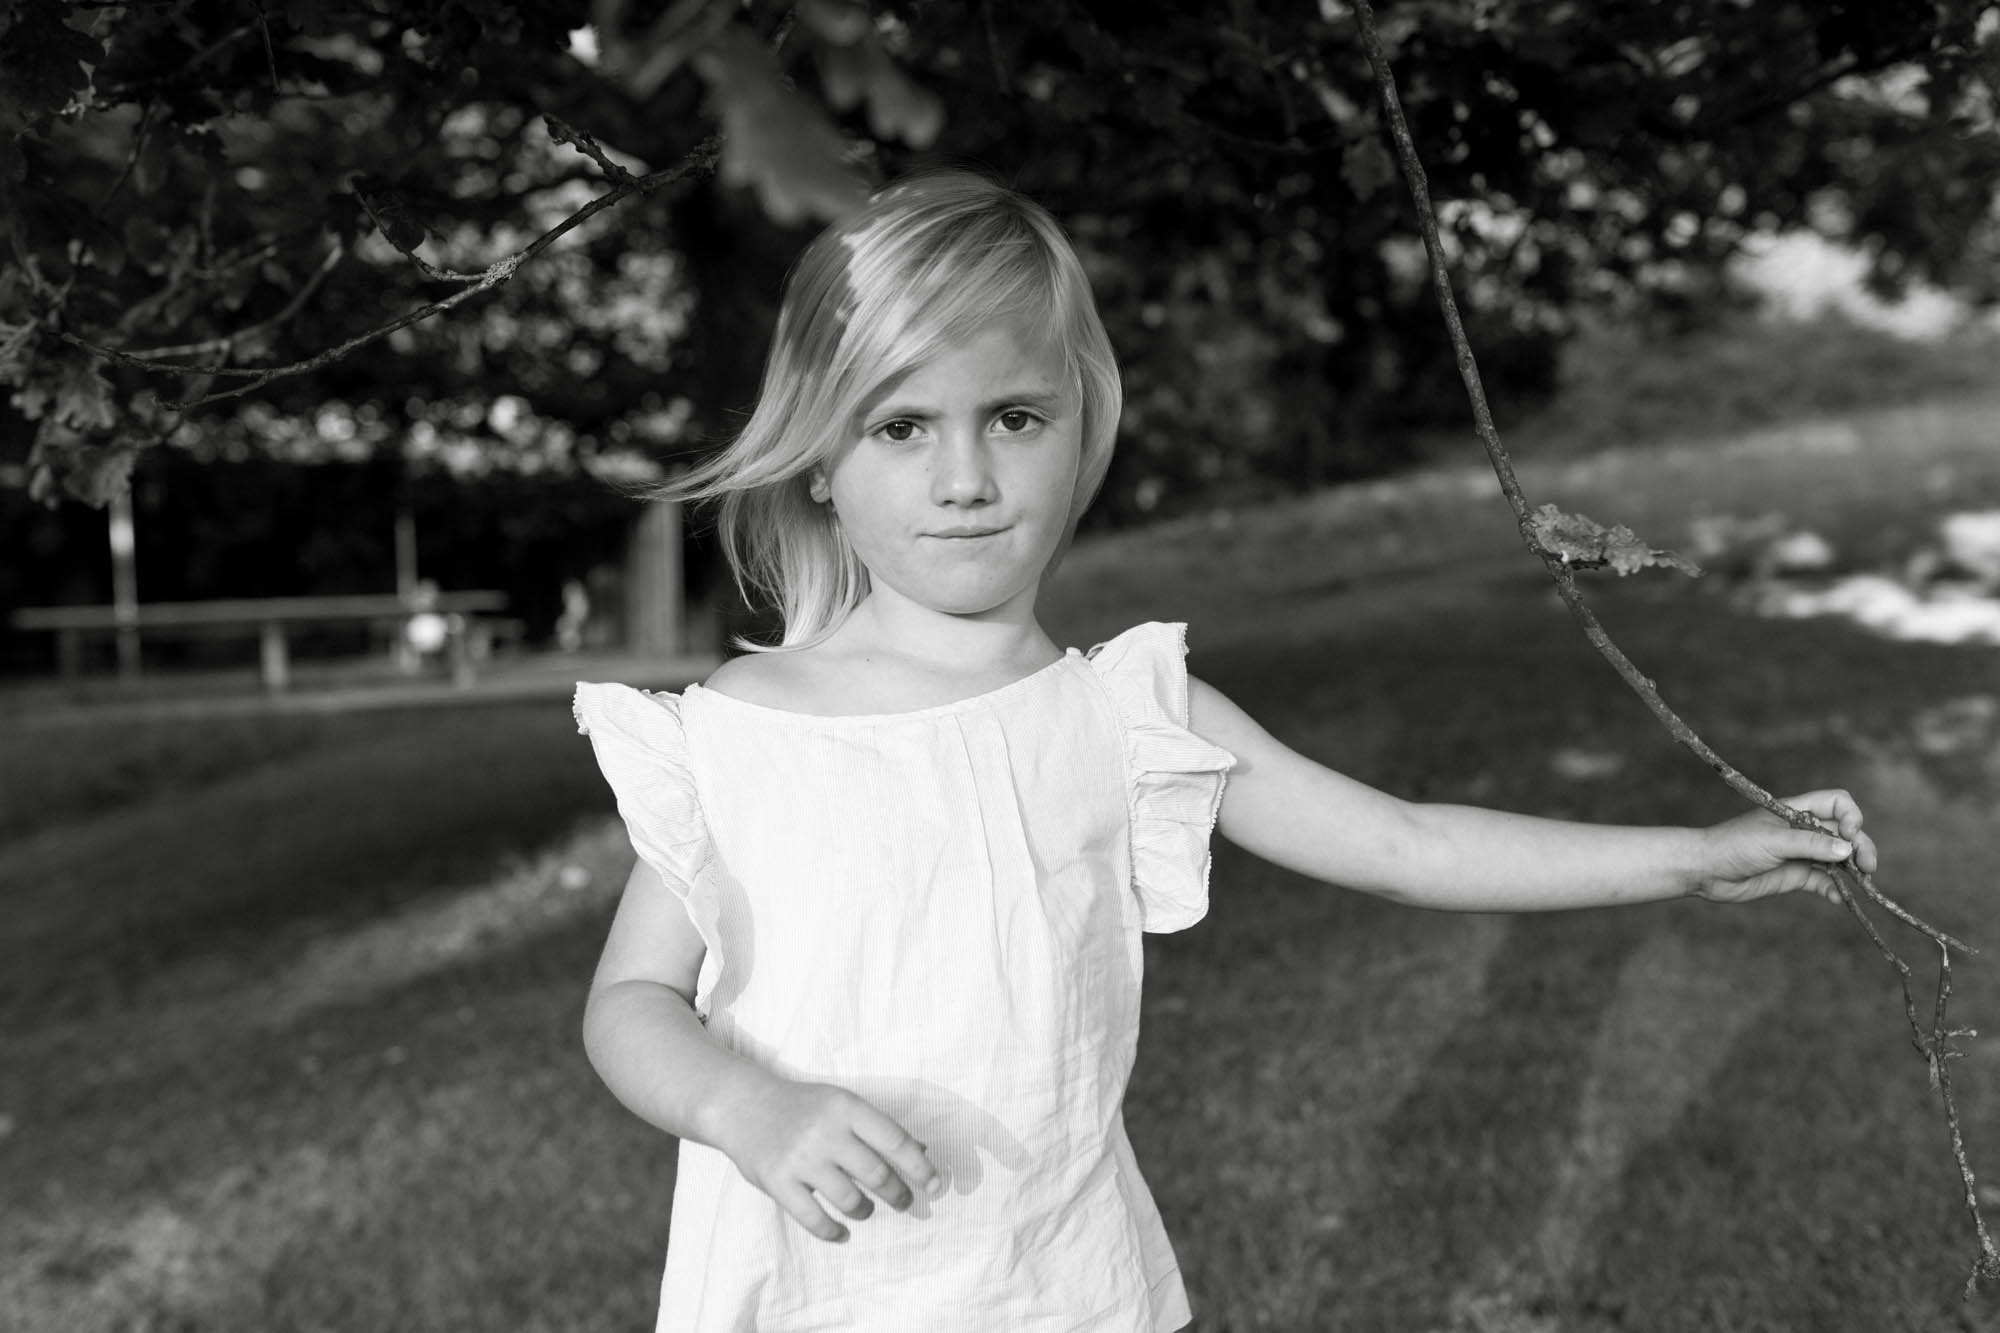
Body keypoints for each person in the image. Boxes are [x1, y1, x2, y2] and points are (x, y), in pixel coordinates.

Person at [571, 171, 1873, 1333]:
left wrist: (1696, 855)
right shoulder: (740, 736)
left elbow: (1410, 843)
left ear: (1083, 426)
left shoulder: (1130, 713)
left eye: (1014, 417)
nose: (964, 475)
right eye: (903, 426)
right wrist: (746, 1109)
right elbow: (629, 1006)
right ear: (816, 459)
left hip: (1064, 1286)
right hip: (809, 1288)